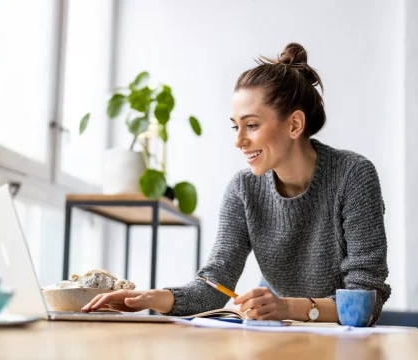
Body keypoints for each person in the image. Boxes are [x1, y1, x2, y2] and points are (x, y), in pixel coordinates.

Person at [82, 43, 391, 324]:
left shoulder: (353, 176)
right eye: (235, 127)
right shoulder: (244, 189)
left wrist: (286, 307)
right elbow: (214, 286)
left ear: (294, 124)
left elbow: (365, 301)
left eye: (252, 125)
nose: (239, 141)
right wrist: (152, 298)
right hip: (279, 337)